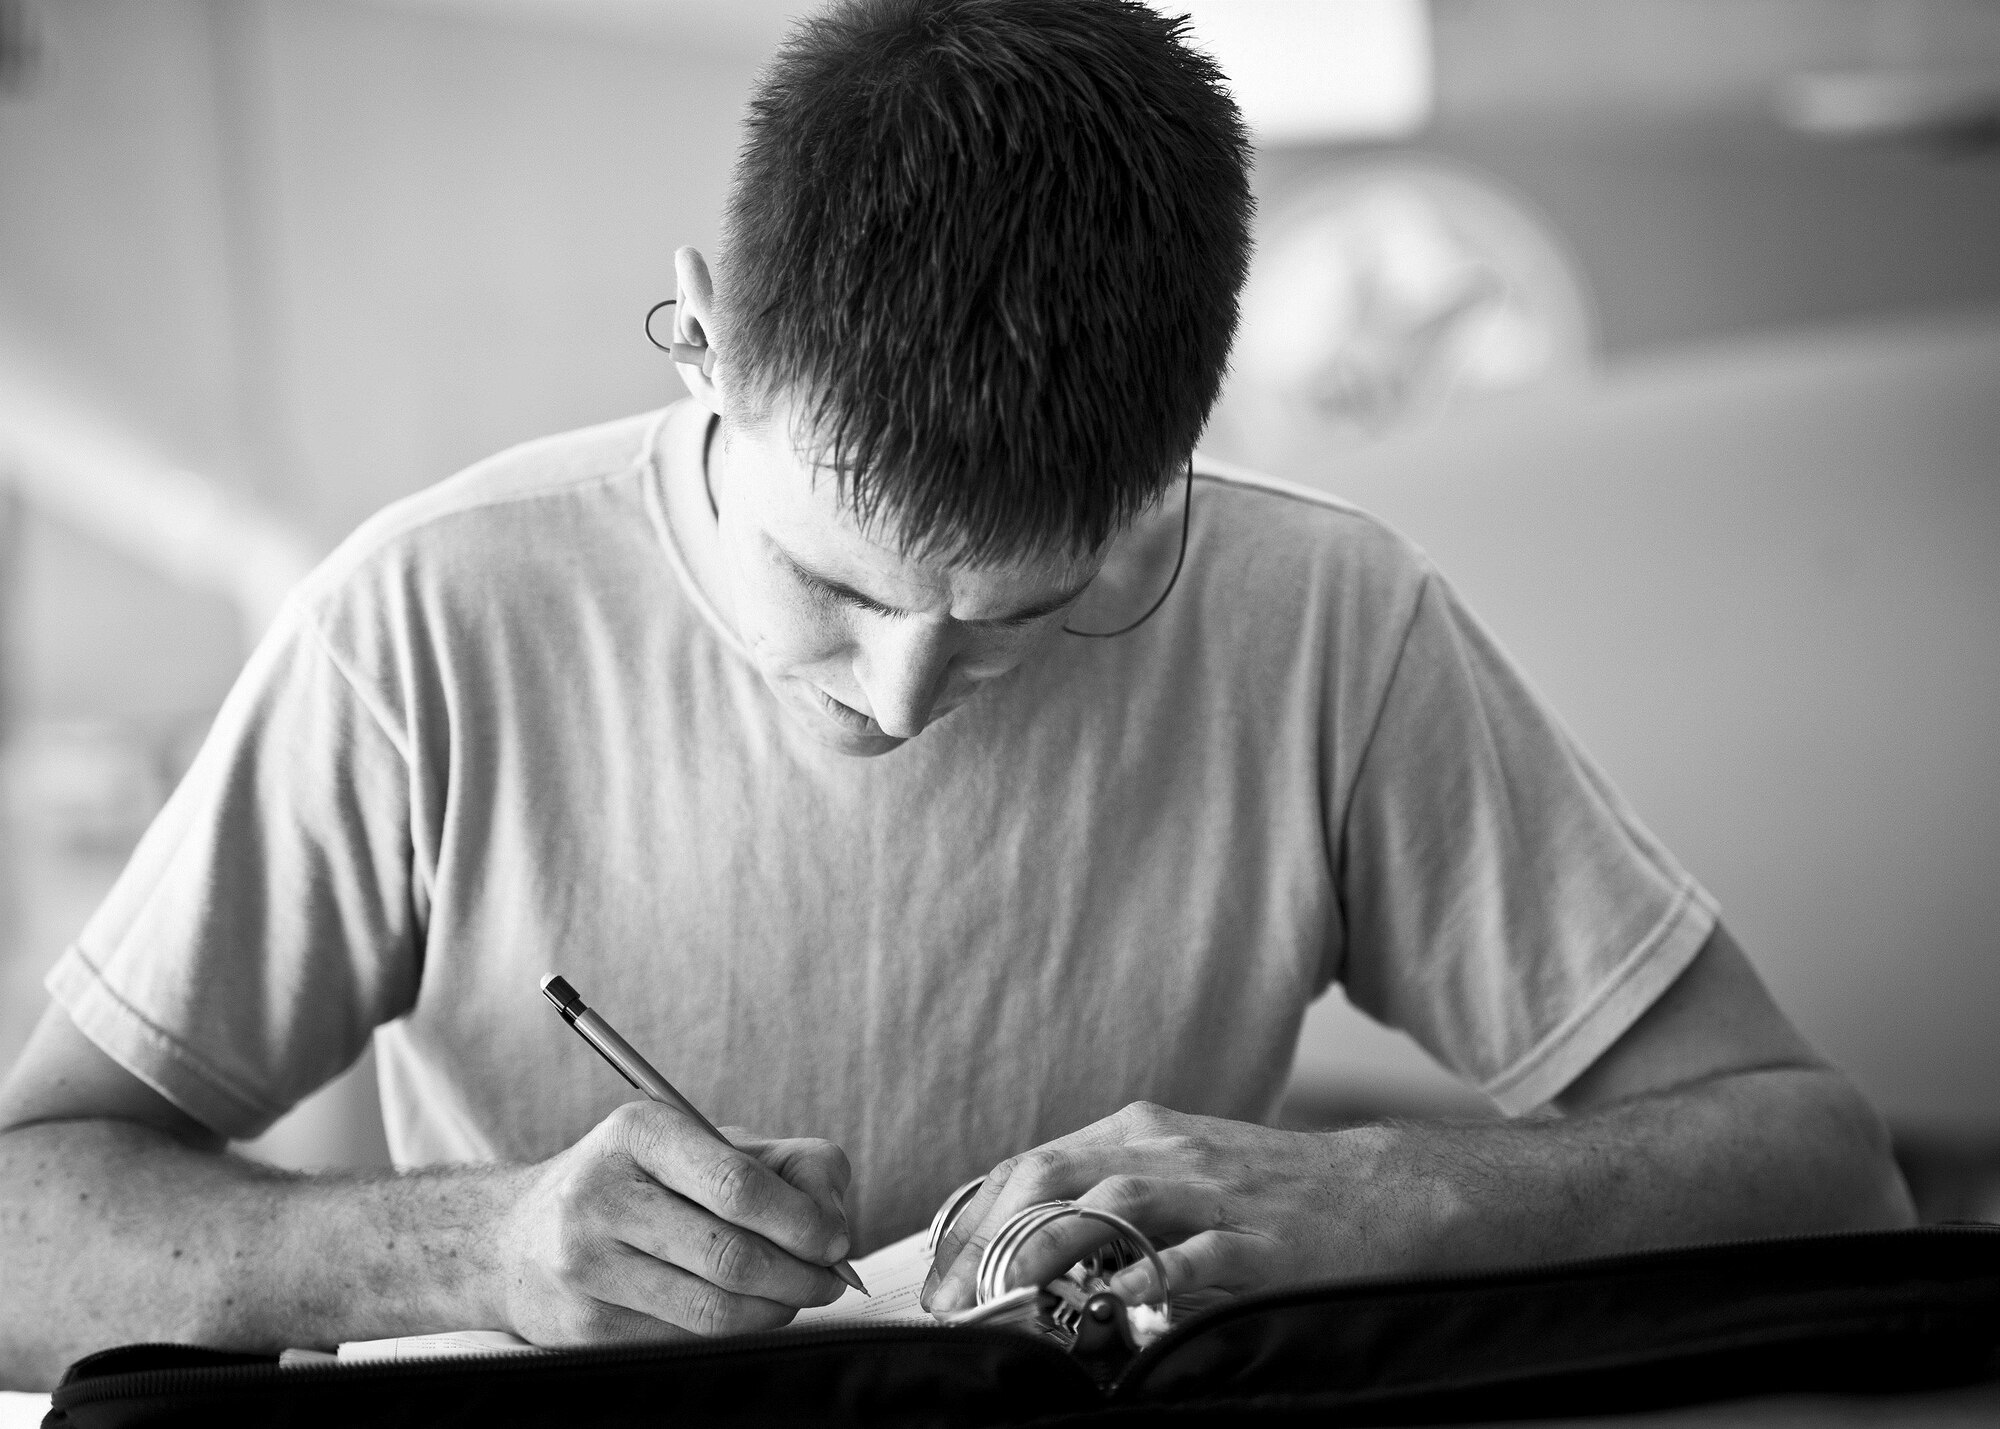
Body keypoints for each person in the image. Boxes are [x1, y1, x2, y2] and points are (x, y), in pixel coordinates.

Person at [0, 0, 1911, 1392]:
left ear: (1176, 458)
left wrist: (1377, 1199)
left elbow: (1824, 1165)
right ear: (705, 338)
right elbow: (22, 1237)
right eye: (833, 587)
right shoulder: (419, 623)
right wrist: (478, 1247)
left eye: (1027, 611)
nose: (905, 694)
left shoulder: (1327, 621)